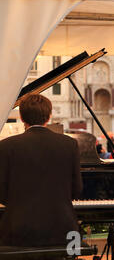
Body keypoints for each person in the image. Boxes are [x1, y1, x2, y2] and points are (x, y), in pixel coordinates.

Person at [0, 94, 82, 248]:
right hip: (64, 230)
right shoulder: (69, 144)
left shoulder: (5, 146)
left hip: (18, 230)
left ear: (22, 118)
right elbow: (76, 190)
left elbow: (1, 193)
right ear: (49, 117)